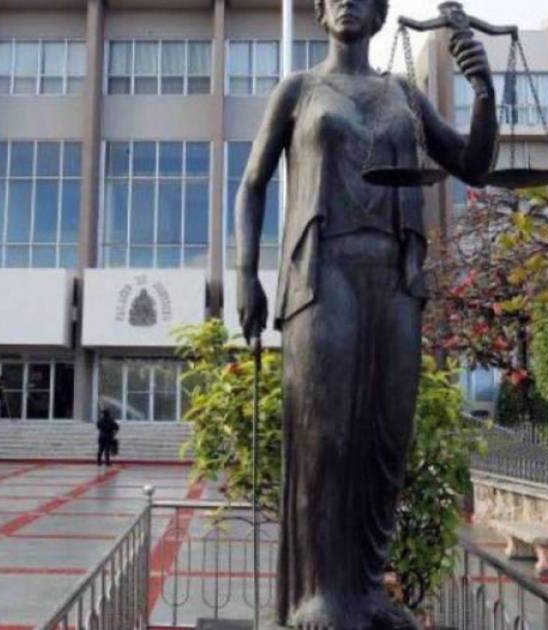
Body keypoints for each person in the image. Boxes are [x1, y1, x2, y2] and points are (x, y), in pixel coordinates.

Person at [234, 0, 497, 625]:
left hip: (395, 275)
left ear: (379, 14)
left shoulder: (402, 92)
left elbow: (473, 163)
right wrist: (245, 274)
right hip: (322, 272)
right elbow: (252, 184)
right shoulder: (298, 89)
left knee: (386, 433)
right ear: (321, 12)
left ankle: (366, 590)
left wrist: (484, 91)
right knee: (327, 433)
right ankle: (321, 593)